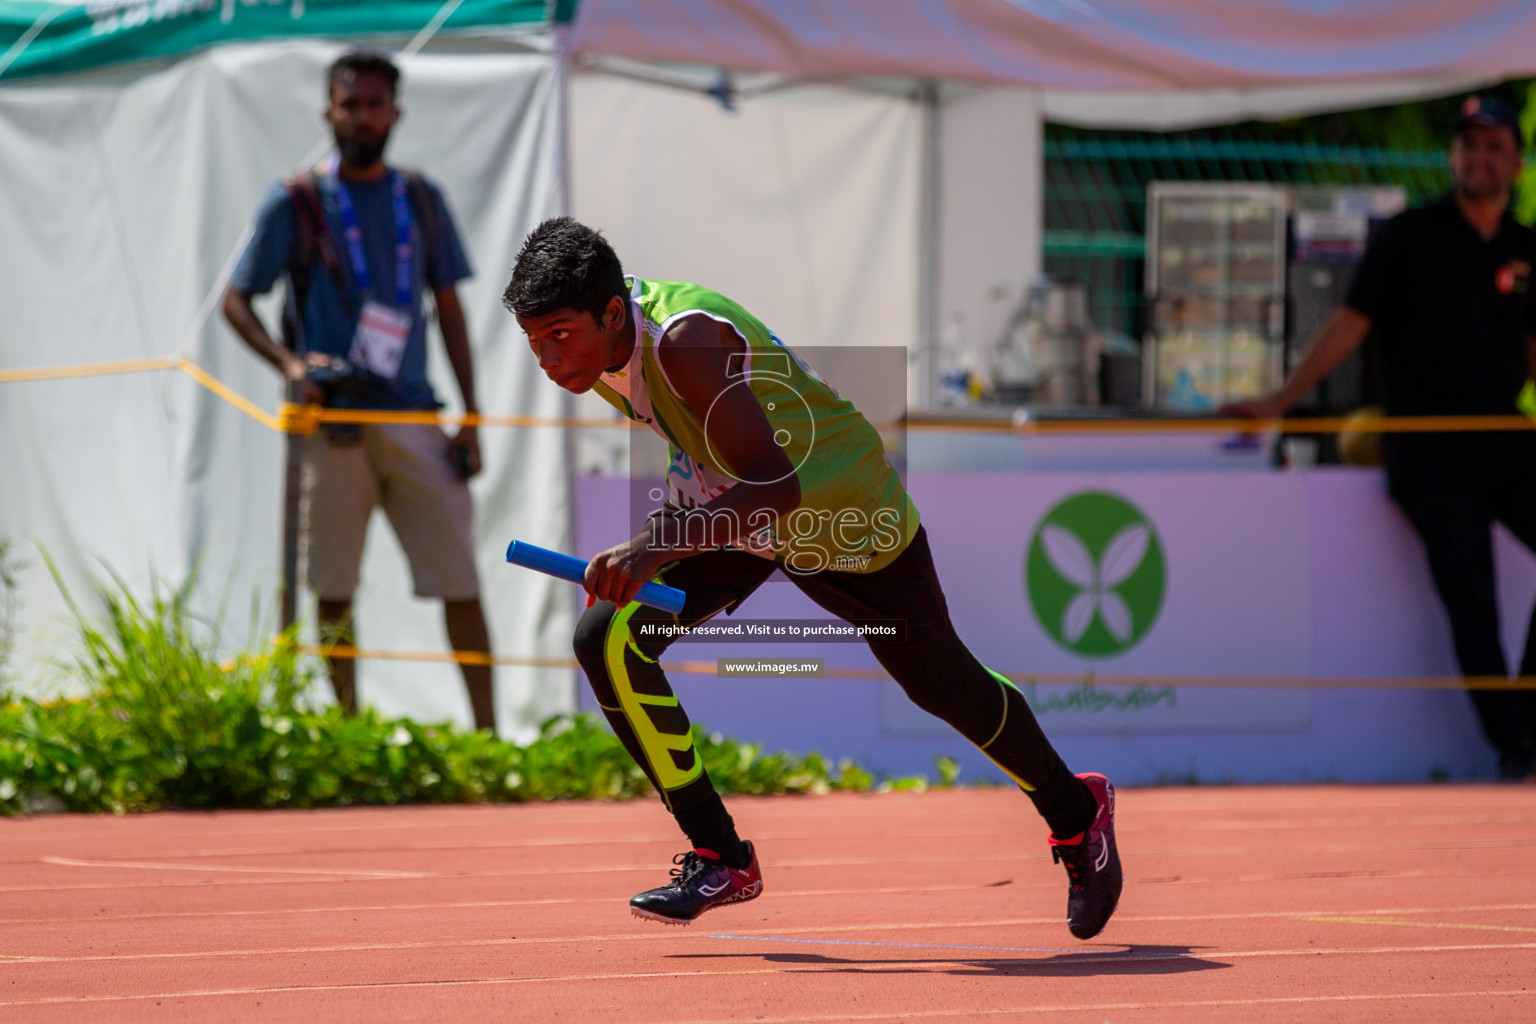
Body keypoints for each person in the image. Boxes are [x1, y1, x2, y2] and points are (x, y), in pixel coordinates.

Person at [501, 217, 1123, 935]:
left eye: (558, 336)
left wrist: (651, 547)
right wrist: (661, 534)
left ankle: (1078, 815)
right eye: (534, 342)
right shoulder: (605, 350)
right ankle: (719, 855)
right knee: (608, 638)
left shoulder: (683, 343)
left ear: (612, 313)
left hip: (840, 509)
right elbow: (702, 449)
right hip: (738, 514)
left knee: (939, 682)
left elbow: (776, 486)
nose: (548, 360)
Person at [1226, 94, 1536, 780]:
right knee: (1472, 601)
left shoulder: (1525, 247)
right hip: (1428, 445)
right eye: (1468, 144)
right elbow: (1348, 324)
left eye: (1493, 146)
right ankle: (1517, 748)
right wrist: (1280, 399)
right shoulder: (1407, 235)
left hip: (1507, 436)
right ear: (1453, 156)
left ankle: (1530, 725)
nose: (1479, 157)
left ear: (1515, 162)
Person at [222, 51, 496, 732]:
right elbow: (235, 301)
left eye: (375, 105)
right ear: (328, 112)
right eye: (350, 105)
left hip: (413, 414)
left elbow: (451, 310)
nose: (363, 117)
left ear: (395, 113)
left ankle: (490, 739)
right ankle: (349, 735)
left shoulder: (420, 197)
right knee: (332, 586)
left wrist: (473, 416)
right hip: (333, 422)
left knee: (460, 577)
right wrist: (288, 364)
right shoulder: (297, 198)